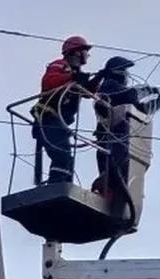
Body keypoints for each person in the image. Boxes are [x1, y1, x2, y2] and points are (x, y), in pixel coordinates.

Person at [32, 36, 101, 183]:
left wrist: (100, 76)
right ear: (77, 52)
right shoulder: (60, 65)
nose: (87, 55)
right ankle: (56, 186)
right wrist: (72, 77)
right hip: (47, 119)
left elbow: (88, 92)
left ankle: (63, 186)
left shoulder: (75, 74)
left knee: (66, 159)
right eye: (85, 51)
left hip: (58, 123)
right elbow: (49, 81)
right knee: (62, 156)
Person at [92, 56, 153, 207]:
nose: (127, 75)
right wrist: (138, 94)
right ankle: (109, 186)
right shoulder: (109, 85)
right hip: (112, 133)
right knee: (114, 161)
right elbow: (126, 97)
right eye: (125, 71)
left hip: (113, 132)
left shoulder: (111, 86)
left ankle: (113, 189)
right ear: (118, 71)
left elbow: (136, 106)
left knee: (117, 162)